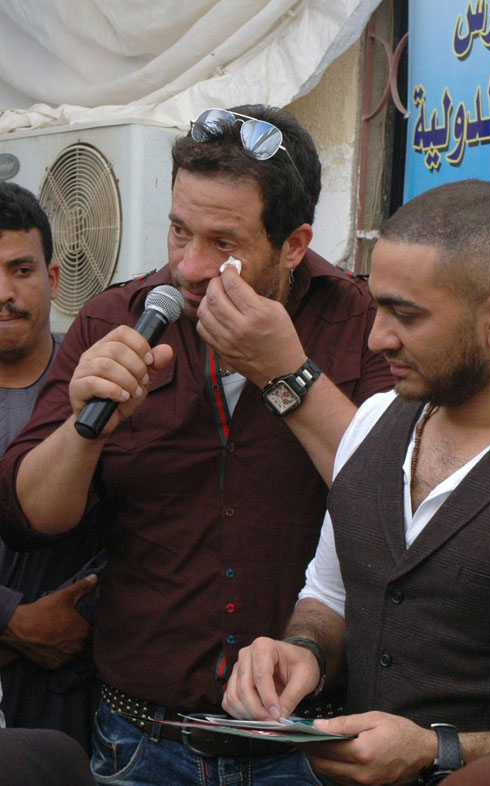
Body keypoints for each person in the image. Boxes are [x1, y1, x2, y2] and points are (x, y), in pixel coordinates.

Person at [0, 105, 392, 784]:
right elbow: (27, 517)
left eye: (222, 243)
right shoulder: (115, 318)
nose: (188, 265)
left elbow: (400, 509)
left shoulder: (360, 322)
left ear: (293, 244)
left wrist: (287, 374)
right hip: (140, 739)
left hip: (309, 744)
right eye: (180, 230)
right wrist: (84, 433)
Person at [222, 179, 490, 785]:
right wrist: (303, 651)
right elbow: (331, 597)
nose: (378, 338)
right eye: (377, 307)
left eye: (406, 314)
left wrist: (437, 749)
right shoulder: (373, 422)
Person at [0, 182, 105, 754]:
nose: (5, 293)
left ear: (55, 278)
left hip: (80, 690)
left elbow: (149, 520)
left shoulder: (101, 385)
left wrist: (85, 614)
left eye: (21, 270)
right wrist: (12, 620)